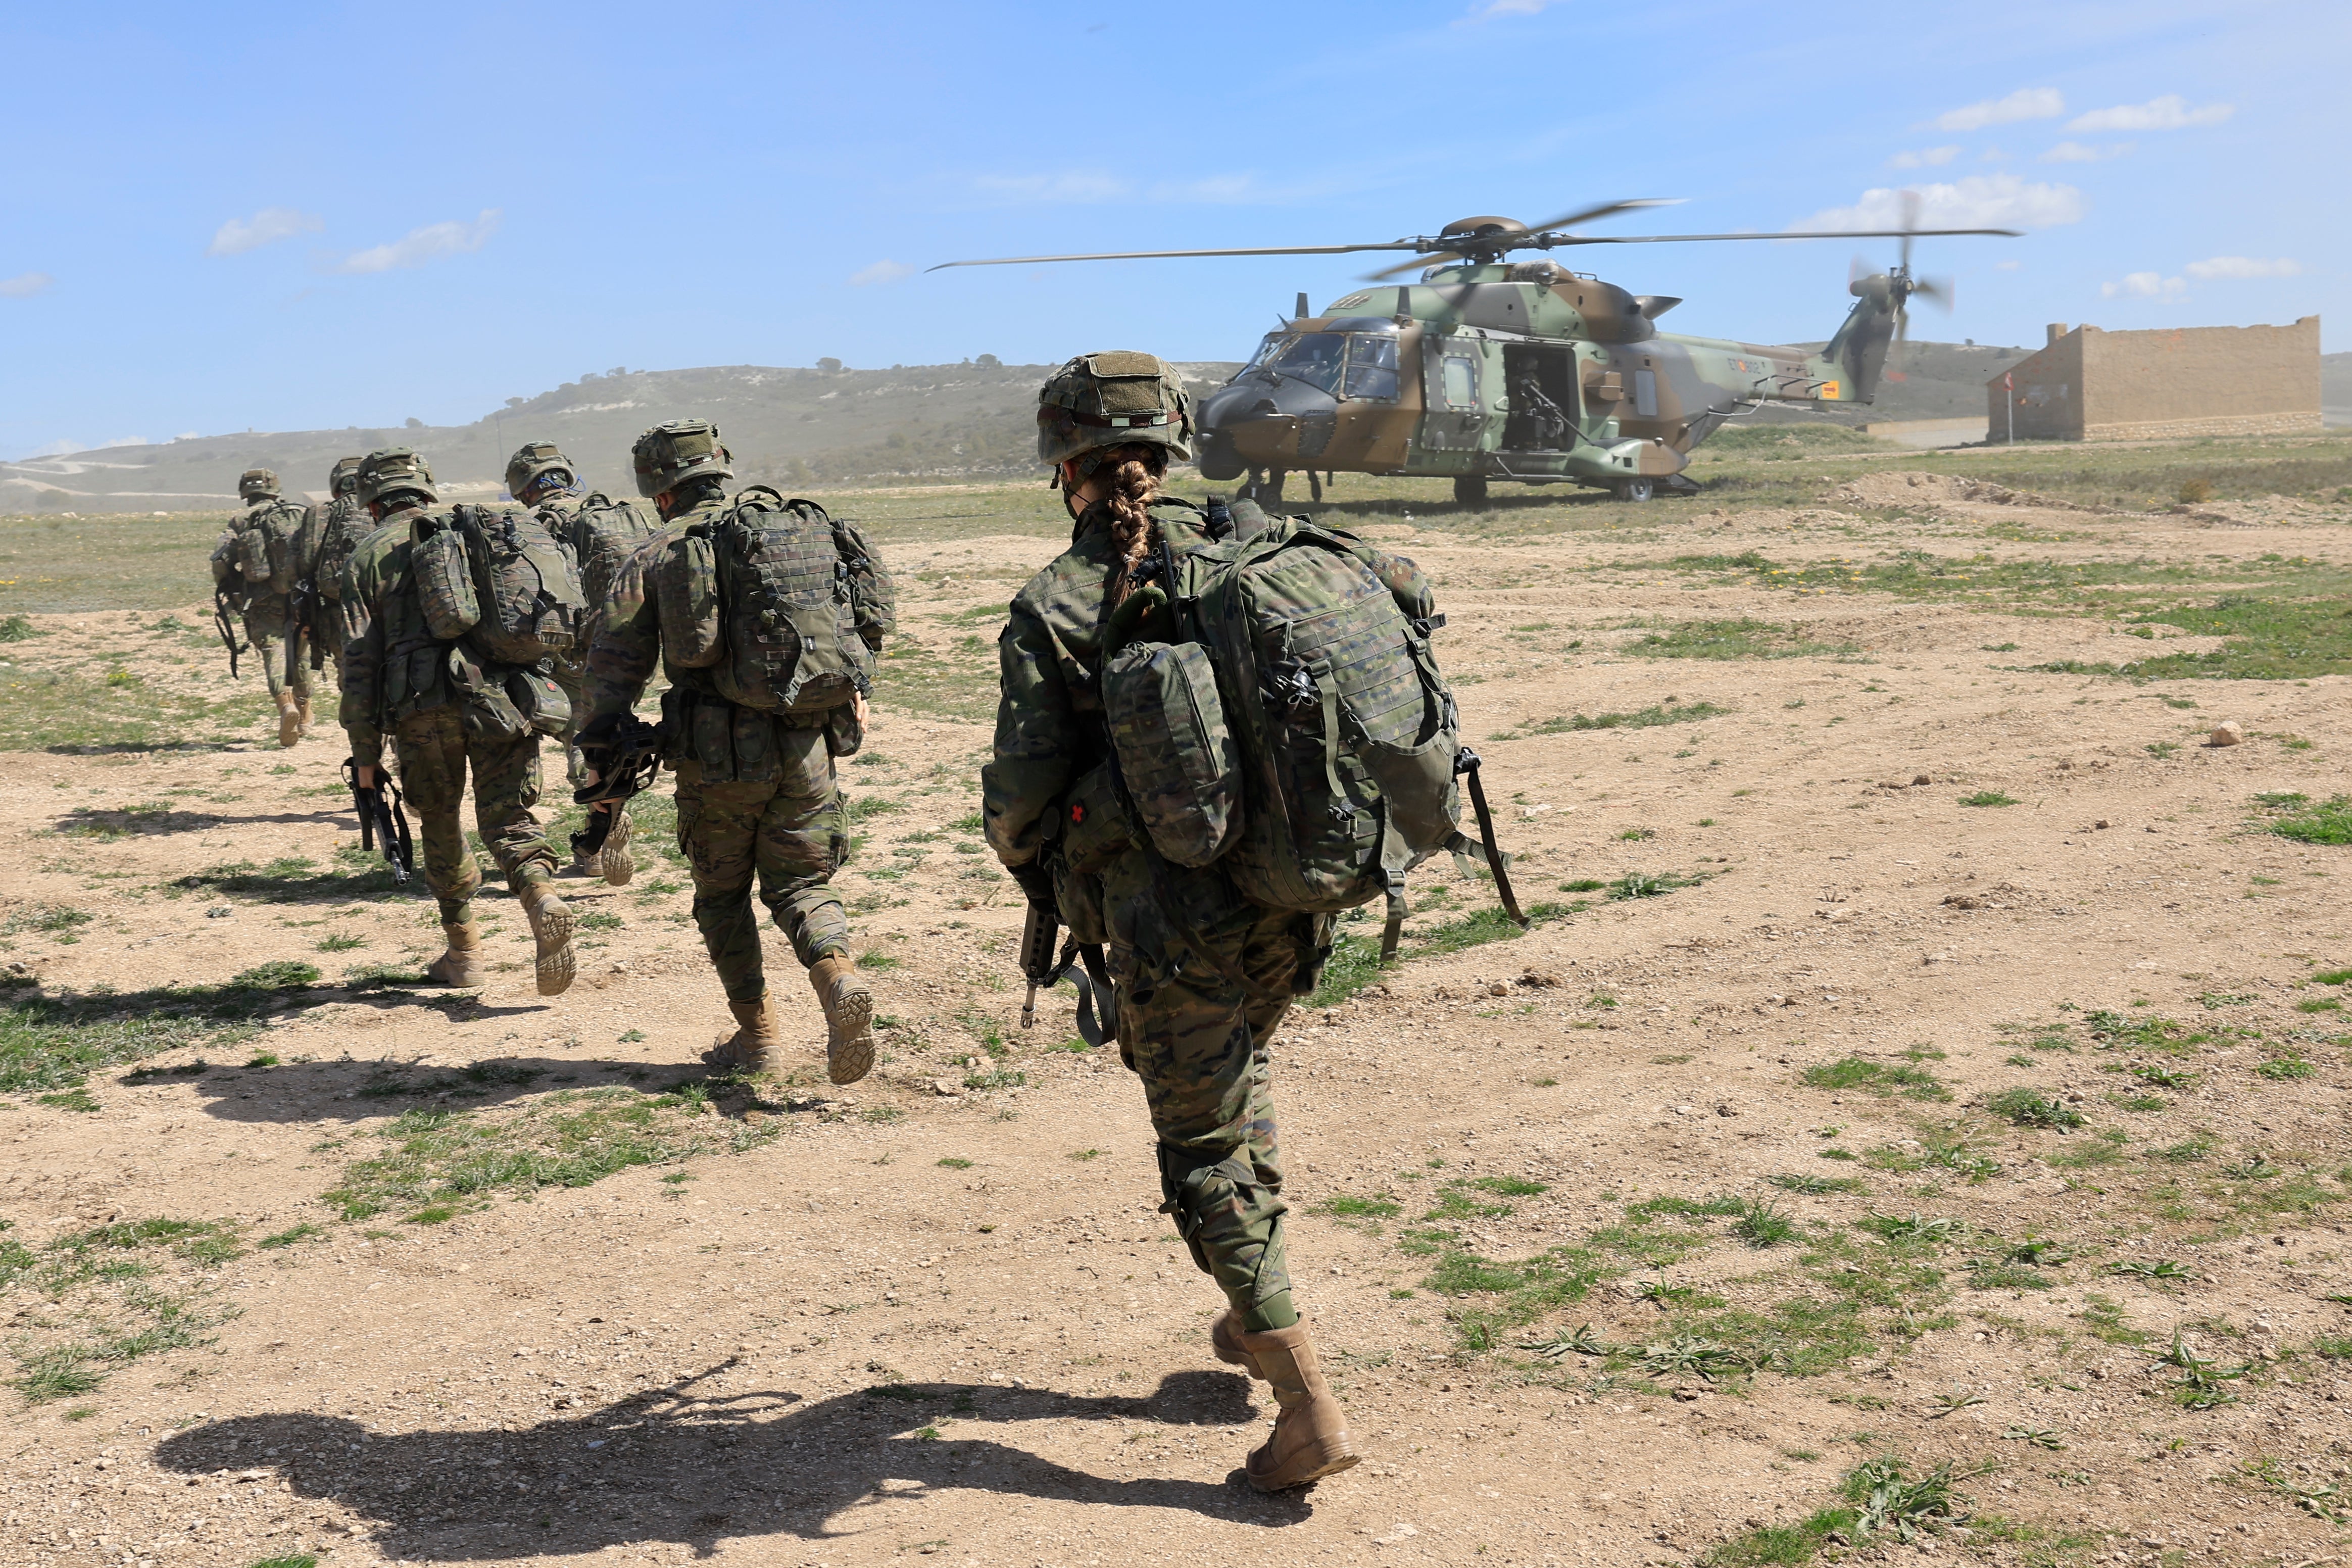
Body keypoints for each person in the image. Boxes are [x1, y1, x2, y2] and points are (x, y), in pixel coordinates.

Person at [981, 352, 1358, 1492]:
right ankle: (1253, 1318)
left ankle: (1306, 1405)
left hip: (1167, 919)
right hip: (1295, 896)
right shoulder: (1267, 550)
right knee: (1237, 1086)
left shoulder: (1062, 598)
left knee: (1201, 1143)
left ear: (1069, 463)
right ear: (1175, 442)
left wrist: (1041, 858)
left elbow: (1020, 798)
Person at [579, 419, 894, 1079]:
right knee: (802, 883)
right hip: (807, 746)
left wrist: (601, 751)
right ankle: (836, 977)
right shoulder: (796, 531)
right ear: (721, 469)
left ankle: (758, 1040)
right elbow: (867, 625)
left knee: (721, 898)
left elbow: (614, 665)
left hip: (714, 759)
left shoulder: (660, 550)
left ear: (659, 491)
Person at [334, 448, 575, 994]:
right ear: (426, 488)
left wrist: (365, 755)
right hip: (502, 698)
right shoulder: (474, 530)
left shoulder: (366, 556)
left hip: (423, 709)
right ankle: (541, 894)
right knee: (508, 816)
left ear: (371, 503)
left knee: (440, 820)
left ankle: (464, 953)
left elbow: (359, 664)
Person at [504, 439, 651, 885]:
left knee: (579, 738)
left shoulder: (530, 526)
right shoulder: (612, 515)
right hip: (627, 645)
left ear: (523, 487)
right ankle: (612, 811)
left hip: (568, 650)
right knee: (609, 727)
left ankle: (597, 834)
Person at [225, 468, 315, 745]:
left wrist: (232, 593)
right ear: (276, 489)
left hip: (262, 599)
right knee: (301, 653)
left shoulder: (241, 520)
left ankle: (284, 705)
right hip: (300, 596)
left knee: (273, 650)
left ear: (245, 492)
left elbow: (220, 560)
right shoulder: (296, 514)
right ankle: (306, 717)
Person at [297, 456, 368, 684]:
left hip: (340, 609)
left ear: (336, 488)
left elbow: (306, 561)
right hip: (388, 605)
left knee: (350, 671)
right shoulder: (382, 507)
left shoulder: (323, 513)